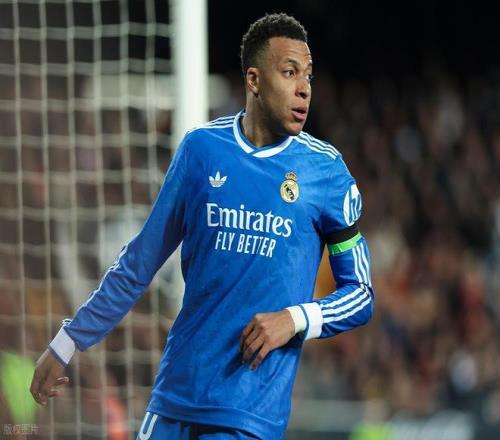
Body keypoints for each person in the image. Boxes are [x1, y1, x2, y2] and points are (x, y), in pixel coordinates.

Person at [31, 13, 374, 439]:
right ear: (254, 80)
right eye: (289, 72)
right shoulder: (202, 150)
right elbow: (138, 263)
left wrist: (296, 318)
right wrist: (66, 343)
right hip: (173, 399)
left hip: (247, 417)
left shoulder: (326, 173)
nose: (304, 87)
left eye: (308, 75)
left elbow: (360, 294)